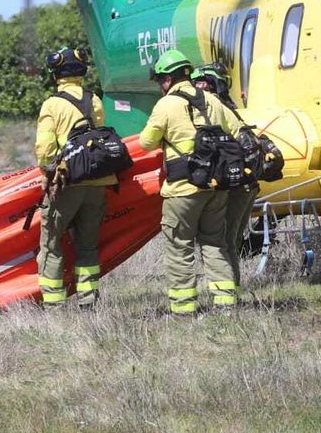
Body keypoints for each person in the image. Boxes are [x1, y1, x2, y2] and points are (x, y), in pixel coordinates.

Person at [137, 49, 243, 315]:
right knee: (215, 243)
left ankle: (184, 309)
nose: (160, 86)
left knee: (179, 247)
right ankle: (226, 304)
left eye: (160, 80)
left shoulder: (166, 104)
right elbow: (236, 129)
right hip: (215, 187)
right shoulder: (211, 100)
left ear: (168, 79)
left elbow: (145, 143)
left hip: (182, 190)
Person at [33, 46, 114, 309]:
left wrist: (48, 173)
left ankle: (54, 307)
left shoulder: (52, 105)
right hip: (96, 183)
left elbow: (45, 150)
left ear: (55, 74)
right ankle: (88, 303)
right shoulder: (95, 100)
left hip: (66, 184)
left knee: (52, 244)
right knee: (88, 246)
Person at [193, 62, 259, 289]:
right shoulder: (227, 108)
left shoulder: (214, 109)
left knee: (223, 242)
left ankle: (228, 294)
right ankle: (231, 291)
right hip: (247, 185)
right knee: (231, 240)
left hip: (236, 187)